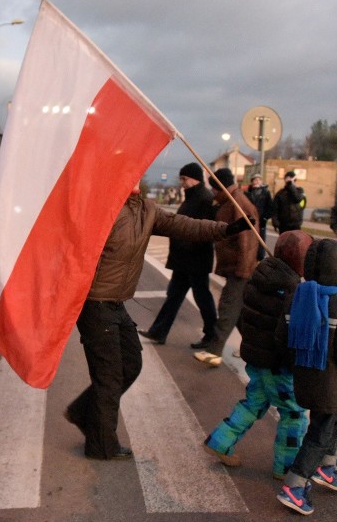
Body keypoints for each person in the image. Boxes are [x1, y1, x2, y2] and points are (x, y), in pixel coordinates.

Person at [65, 185, 250, 460]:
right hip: (94, 303)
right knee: (109, 375)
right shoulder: (102, 208)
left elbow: (185, 225)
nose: (136, 176)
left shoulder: (146, 210)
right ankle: (101, 444)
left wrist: (225, 229)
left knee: (130, 364)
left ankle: (82, 411)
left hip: (116, 302)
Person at [203, 231, 313, 479]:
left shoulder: (261, 277)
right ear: (295, 260)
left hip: (258, 358)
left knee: (254, 402)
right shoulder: (290, 289)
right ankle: (286, 466)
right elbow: (289, 334)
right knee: (293, 413)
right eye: (307, 256)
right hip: (278, 365)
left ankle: (220, 441)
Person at [275, 239, 337, 516]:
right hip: (333, 382)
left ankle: (326, 467)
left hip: (305, 375)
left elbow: (282, 337)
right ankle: (295, 483)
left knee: (334, 421)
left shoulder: (296, 297)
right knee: (322, 430)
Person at [138, 162, 217, 346]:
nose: (182, 182)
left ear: (194, 179)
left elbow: (203, 230)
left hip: (195, 259)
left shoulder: (203, 199)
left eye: (184, 178)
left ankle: (212, 334)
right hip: (184, 260)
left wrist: (186, 246)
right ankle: (159, 331)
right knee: (174, 296)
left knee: (202, 298)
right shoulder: (192, 197)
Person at [193, 168, 259, 365]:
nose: (212, 192)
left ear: (220, 186)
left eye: (213, 187)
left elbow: (247, 238)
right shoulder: (231, 201)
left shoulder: (237, 203)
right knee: (236, 312)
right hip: (237, 267)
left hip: (241, 268)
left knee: (228, 306)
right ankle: (256, 349)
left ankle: (215, 351)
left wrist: (243, 268)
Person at [246, 173, 274, 261]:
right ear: (252, 182)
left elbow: (270, 207)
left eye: (258, 179)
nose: (256, 181)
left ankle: (260, 257)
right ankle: (250, 256)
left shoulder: (265, 193)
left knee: (261, 240)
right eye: (254, 179)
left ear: (261, 181)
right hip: (250, 220)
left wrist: (265, 218)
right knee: (250, 239)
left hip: (261, 221)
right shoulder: (248, 193)